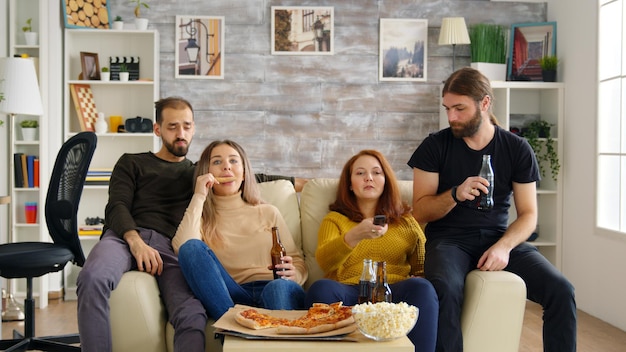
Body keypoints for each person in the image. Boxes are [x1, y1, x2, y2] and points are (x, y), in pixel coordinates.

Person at [76, 97, 303, 352]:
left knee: (191, 314)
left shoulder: (196, 172)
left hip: (169, 248)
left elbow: (242, 174)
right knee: (93, 277)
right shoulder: (132, 162)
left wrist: (298, 182)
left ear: (194, 128)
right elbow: (116, 205)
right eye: (172, 127)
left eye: (186, 126)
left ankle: (236, 335)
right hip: (125, 236)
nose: (181, 134)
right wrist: (135, 241)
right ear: (157, 129)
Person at [408, 67, 576, 352]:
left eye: (459, 108)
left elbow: (528, 215)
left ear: (484, 103)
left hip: (498, 237)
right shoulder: (434, 146)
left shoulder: (517, 148)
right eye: (447, 108)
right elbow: (420, 212)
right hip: (449, 241)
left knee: (561, 290)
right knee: (444, 289)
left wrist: (504, 247)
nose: (451, 117)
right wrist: (455, 194)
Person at [305, 149, 439, 351]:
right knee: (321, 288)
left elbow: (420, 266)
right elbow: (325, 262)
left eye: (376, 172)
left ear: (386, 180)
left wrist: (419, 278)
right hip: (349, 292)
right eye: (360, 173)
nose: (369, 178)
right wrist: (354, 235)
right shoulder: (335, 219)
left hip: (394, 292)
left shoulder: (406, 222)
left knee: (424, 288)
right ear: (349, 184)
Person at [172, 140, 308, 320]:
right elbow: (183, 248)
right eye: (217, 162)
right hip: (230, 295)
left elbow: (297, 261)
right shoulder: (201, 218)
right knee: (191, 248)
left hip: (274, 288)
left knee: (278, 288)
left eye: (233, 161)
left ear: (244, 173)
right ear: (207, 173)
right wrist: (199, 196)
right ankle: (231, 325)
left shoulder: (268, 212)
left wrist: (294, 274)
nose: (226, 168)